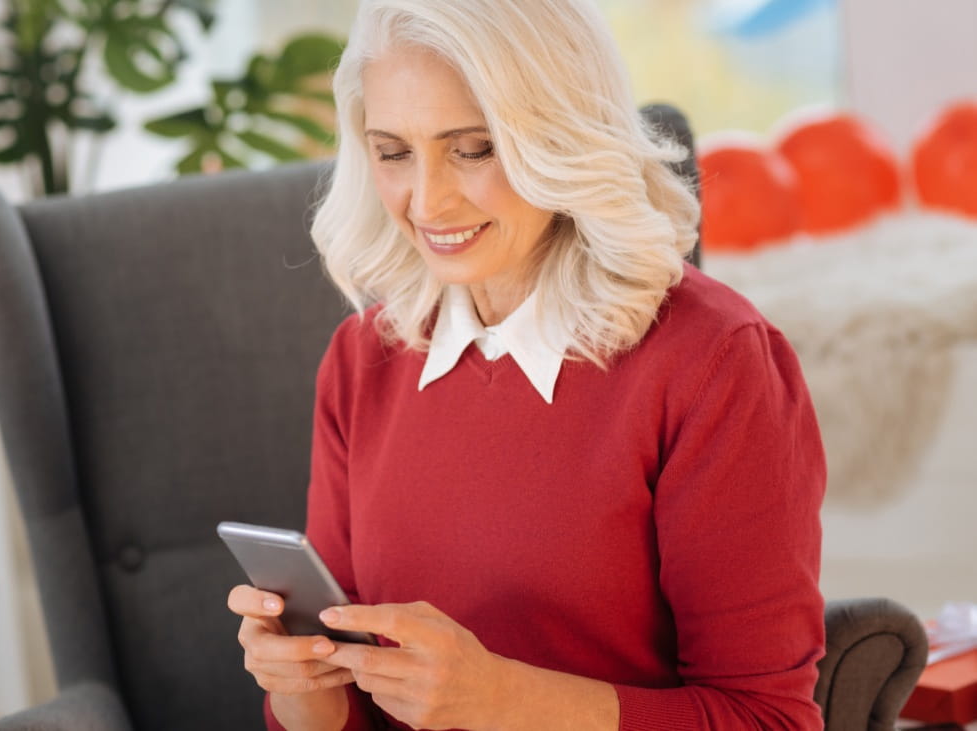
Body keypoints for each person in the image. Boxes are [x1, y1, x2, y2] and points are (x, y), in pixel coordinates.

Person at [227, 0, 826, 729]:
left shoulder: (713, 362)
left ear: (561, 137)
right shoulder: (362, 360)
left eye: (473, 148)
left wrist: (505, 700)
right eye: (393, 152)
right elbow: (343, 712)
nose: (426, 199)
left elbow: (766, 718)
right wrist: (300, 684)